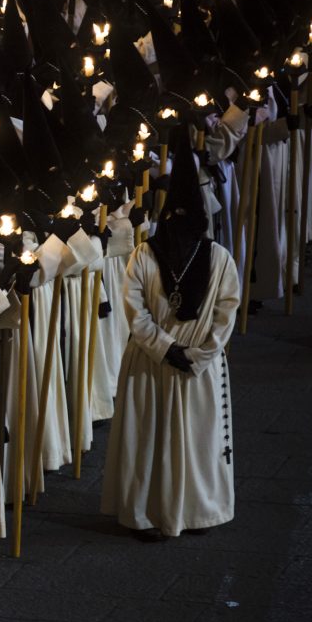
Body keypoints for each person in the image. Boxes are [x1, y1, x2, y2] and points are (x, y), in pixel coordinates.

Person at [102, 133, 242, 540]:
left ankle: (197, 510)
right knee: (147, 440)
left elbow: (226, 313)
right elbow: (134, 311)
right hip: (153, 362)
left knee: (197, 442)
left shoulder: (218, 260)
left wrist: (197, 355)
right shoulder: (143, 257)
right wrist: (168, 349)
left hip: (193, 365)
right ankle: (146, 511)